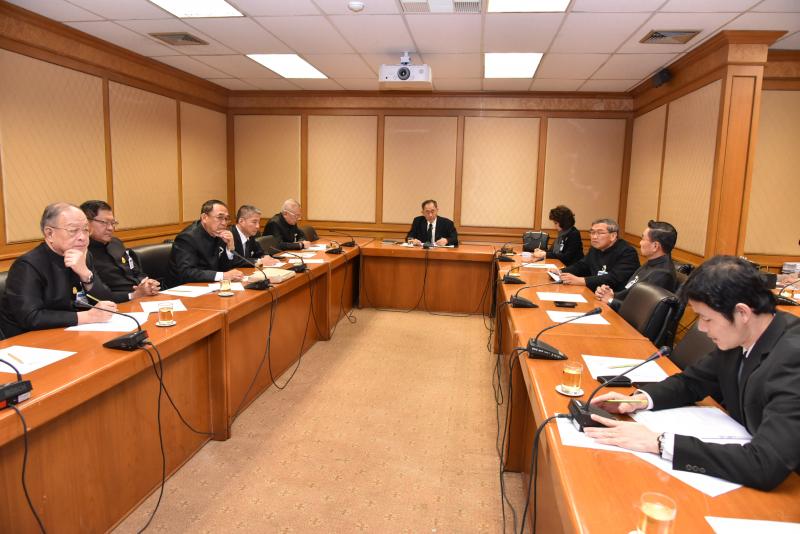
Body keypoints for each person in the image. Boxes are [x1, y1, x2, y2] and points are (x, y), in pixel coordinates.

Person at [585, 256, 800, 491]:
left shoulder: (793, 358)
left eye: (707, 318)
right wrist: (637, 401)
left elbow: (765, 465)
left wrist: (660, 443)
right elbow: (692, 382)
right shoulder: (742, 335)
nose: (701, 328)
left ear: (742, 313)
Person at [0, 203, 116, 338]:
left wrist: (86, 274)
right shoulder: (27, 265)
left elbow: (107, 302)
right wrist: (87, 316)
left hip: (75, 332)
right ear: (49, 233)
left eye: (85, 230)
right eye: (73, 230)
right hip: (31, 340)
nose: (83, 237)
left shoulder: (83, 256)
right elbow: (31, 317)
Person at [81, 200, 160, 303]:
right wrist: (133, 295)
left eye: (113, 223)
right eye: (104, 223)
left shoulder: (116, 243)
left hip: (142, 298)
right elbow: (99, 295)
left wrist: (147, 283)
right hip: (117, 304)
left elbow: (136, 271)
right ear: (87, 223)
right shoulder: (83, 253)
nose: (110, 228)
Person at [595, 220, 678, 310]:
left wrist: (610, 300)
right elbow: (629, 292)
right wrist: (611, 294)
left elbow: (639, 310)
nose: (640, 243)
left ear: (655, 246)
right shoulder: (652, 262)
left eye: (643, 239)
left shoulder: (662, 274)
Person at [166, 200, 244, 287]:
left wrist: (230, 249)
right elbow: (186, 272)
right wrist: (223, 276)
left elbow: (224, 267)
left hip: (210, 285)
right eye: (220, 217)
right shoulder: (187, 237)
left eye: (226, 219)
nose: (224, 223)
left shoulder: (218, 233)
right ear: (204, 218)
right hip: (183, 288)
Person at [556, 218, 638, 291]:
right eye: (592, 232)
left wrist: (581, 280)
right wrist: (560, 271)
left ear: (613, 236)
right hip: (595, 291)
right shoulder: (595, 248)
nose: (594, 237)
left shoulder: (627, 252)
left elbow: (614, 278)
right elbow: (582, 265)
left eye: (600, 233)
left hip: (615, 297)